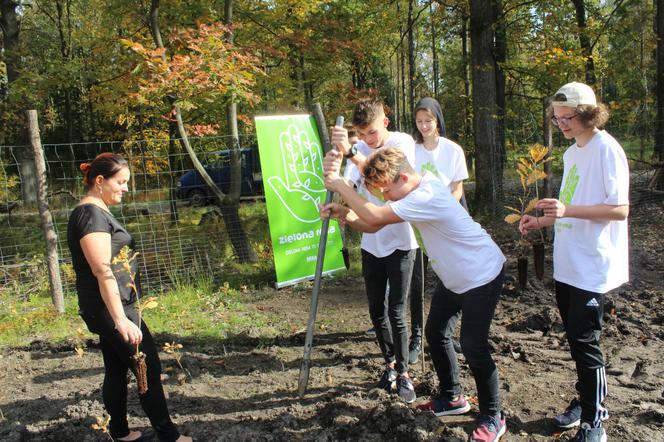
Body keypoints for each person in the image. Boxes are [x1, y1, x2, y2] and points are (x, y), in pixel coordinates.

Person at [321, 147, 507, 442]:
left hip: (481, 274)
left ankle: (493, 416)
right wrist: (343, 213)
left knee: (474, 346)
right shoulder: (413, 191)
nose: (386, 197)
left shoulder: (426, 195)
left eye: (386, 190)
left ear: (404, 177)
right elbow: (373, 223)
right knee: (435, 333)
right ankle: (452, 397)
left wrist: (342, 186)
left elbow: (374, 214)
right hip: (454, 277)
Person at [519, 82, 629, 442]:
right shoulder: (571, 153)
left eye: (567, 117)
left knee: (586, 340)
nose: (561, 123)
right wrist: (543, 220)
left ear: (588, 114)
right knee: (574, 338)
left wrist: (567, 210)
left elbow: (619, 209)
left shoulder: (606, 149)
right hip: (567, 260)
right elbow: (567, 205)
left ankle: (595, 420)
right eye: (556, 116)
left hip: (591, 263)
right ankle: (585, 402)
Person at [67, 153, 192, 442]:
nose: (126, 188)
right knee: (146, 365)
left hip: (111, 306)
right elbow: (102, 270)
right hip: (110, 308)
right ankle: (169, 436)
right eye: (121, 182)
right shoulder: (90, 215)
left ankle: (120, 432)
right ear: (100, 181)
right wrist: (121, 319)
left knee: (115, 367)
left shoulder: (96, 212)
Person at [330, 97, 419, 403]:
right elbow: (352, 190)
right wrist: (337, 203)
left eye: (372, 131)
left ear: (385, 121)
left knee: (396, 310)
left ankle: (406, 372)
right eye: (362, 133)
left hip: (401, 241)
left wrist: (352, 152)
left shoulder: (402, 142)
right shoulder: (359, 151)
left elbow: (382, 173)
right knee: (375, 310)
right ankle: (391, 364)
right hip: (372, 242)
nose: (369, 138)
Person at [412, 97, 470, 356]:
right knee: (417, 280)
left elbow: (457, 189)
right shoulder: (411, 151)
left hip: (449, 221)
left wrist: (441, 209)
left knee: (454, 277)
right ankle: (415, 337)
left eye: (429, 121)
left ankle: (452, 331)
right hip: (419, 222)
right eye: (419, 121)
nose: (424, 126)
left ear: (438, 120)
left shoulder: (453, 150)